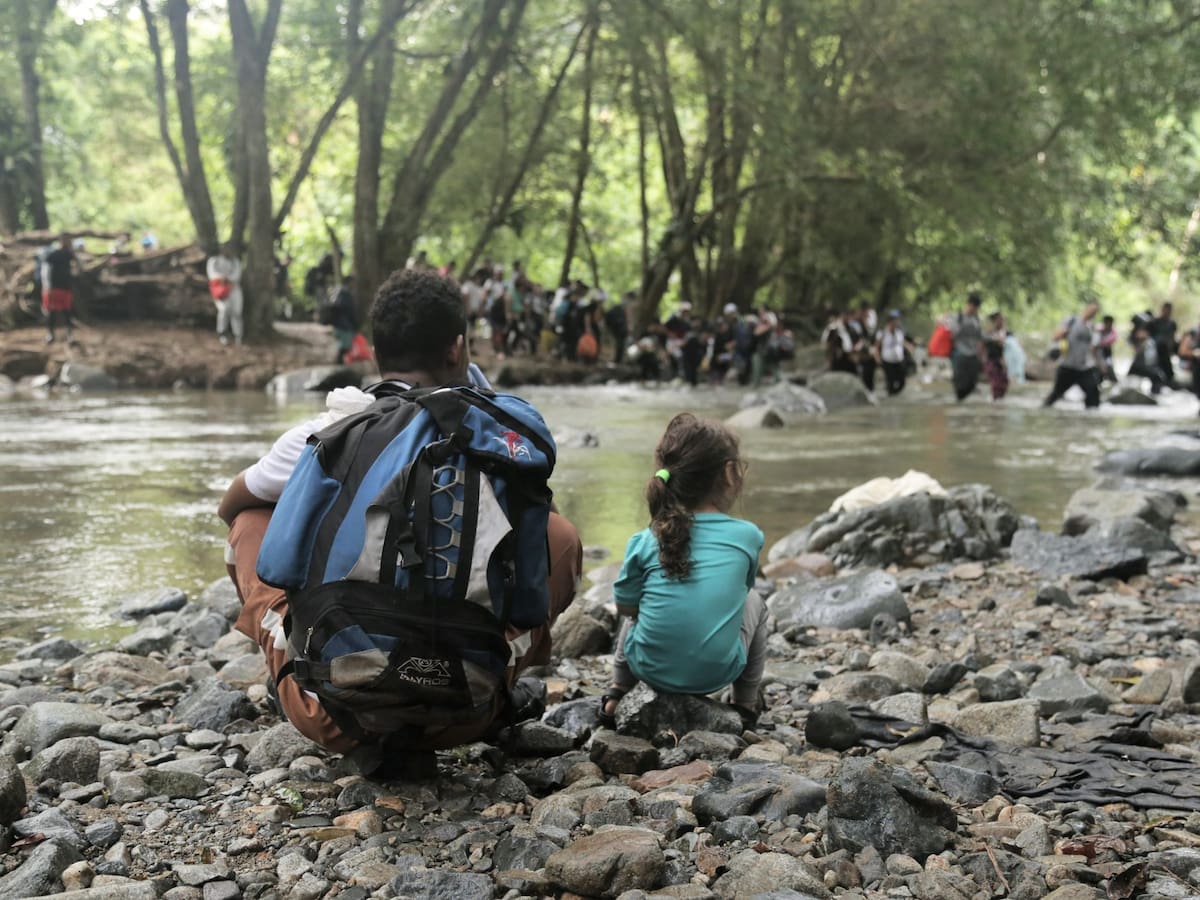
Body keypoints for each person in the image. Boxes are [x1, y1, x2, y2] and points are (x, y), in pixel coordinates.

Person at [217, 269, 582, 767]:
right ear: (458, 349)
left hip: (334, 713)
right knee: (558, 535)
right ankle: (498, 683)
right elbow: (533, 565)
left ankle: (297, 664)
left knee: (251, 519)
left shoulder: (331, 429)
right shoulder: (500, 438)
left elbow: (233, 506)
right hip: (464, 710)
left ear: (372, 352)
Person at [598, 413, 766, 732]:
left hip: (648, 668)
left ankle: (617, 692)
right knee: (755, 600)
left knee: (634, 607)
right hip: (719, 672)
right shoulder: (747, 536)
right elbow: (741, 593)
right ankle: (745, 704)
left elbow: (625, 609)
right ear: (730, 473)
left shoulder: (645, 540)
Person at [1043, 300, 1101, 408]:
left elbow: (1093, 348)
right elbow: (1055, 337)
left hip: (1084, 368)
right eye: (1092, 310)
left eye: (1096, 312)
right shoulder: (1071, 321)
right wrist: (1063, 333)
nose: (1093, 313)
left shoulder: (1091, 327)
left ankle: (1091, 421)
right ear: (1086, 308)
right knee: (1055, 394)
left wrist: (1098, 364)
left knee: (1093, 395)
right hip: (1067, 366)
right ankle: (1043, 410)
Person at [40, 234, 77, 344]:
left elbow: (78, 266)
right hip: (53, 288)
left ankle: (70, 335)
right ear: (61, 241)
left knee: (67, 311)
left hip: (66, 288)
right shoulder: (53, 255)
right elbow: (46, 271)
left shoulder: (69, 255)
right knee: (52, 312)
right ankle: (51, 334)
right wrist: (47, 286)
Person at [948, 292, 984, 401]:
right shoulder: (957, 317)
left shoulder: (976, 319)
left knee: (973, 382)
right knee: (959, 383)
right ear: (969, 305)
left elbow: (979, 337)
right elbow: (953, 334)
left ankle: (962, 404)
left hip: (973, 354)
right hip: (959, 353)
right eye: (973, 306)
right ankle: (958, 405)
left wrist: (981, 353)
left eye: (976, 308)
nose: (974, 309)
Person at [206, 243, 244, 345]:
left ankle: (238, 335)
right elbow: (212, 275)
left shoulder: (235, 262)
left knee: (236, 312)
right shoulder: (214, 261)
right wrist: (221, 279)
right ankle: (222, 333)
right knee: (224, 310)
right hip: (220, 290)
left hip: (234, 290)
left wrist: (228, 280)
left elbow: (236, 275)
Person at [874, 309, 915, 396]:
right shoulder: (882, 333)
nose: (898, 322)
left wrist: (909, 347)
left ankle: (894, 395)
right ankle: (890, 398)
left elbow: (902, 342)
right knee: (890, 381)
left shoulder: (899, 331)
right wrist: (877, 358)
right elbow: (877, 346)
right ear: (891, 321)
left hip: (898, 360)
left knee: (902, 380)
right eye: (896, 320)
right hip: (887, 360)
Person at [324, 278, 358, 364]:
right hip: (344, 325)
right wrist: (355, 324)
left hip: (338, 324)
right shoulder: (346, 294)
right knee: (345, 346)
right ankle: (339, 363)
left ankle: (340, 362)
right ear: (350, 283)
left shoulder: (337, 293)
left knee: (343, 345)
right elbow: (350, 311)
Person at [1149, 302, 1178, 389]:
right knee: (1155, 371)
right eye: (1166, 310)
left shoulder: (1172, 323)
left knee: (1167, 372)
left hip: (1166, 351)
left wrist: (1171, 349)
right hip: (1155, 350)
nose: (1167, 312)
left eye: (1169, 310)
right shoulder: (1155, 322)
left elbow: (1172, 337)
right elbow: (1148, 335)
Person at [983, 312, 1009, 401]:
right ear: (994, 322)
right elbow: (982, 345)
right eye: (999, 320)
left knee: (1004, 383)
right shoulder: (988, 333)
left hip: (1001, 362)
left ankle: (999, 404)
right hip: (991, 362)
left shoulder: (1005, 333)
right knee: (996, 384)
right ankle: (995, 404)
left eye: (1002, 320)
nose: (1002, 322)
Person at [1094, 315, 1119, 384]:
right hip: (1096, 353)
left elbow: (1105, 343)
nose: (1108, 325)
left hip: (1106, 353)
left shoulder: (1113, 332)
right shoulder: (1098, 328)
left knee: (1109, 369)